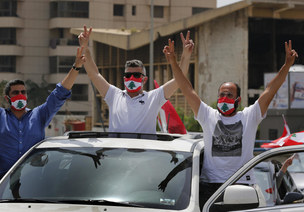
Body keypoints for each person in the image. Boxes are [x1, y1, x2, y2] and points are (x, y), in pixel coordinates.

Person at [163, 39, 298, 209]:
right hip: (211, 187)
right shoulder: (207, 115)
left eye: (229, 95)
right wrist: (173, 62)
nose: (224, 99)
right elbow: (186, 87)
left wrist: (286, 65)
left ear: (238, 100)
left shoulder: (250, 116)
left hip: (242, 186)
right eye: (221, 95)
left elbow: (270, 89)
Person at [0, 46, 84, 184]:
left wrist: (76, 67)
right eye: (15, 93)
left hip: (34, 181)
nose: (20, 96)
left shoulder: (39, 115)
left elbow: (59, 94)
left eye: (23, 92)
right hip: (3, 183)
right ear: (7, 98)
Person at [77, 25, 194, 133]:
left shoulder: (153, 98)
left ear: (144, 80)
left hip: (143, 154)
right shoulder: (114, 95)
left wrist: (186, 55)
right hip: (117, 154)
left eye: (137, 75)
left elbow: (179, 79)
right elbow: (94, 74)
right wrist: (85, 48)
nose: (131, 78)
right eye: (128, 75)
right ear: (124, 78)